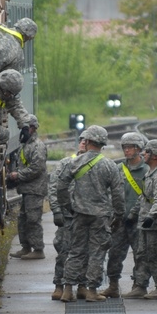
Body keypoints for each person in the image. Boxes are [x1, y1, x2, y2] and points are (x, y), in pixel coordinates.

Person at [56, 125, 123, 302]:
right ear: (102, 143)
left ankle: (68, 290)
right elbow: (117, 193)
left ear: (87, 141)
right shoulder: (109, 165)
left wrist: (67, 205)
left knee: (75, 251)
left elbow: (61, 185)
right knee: (97, 252)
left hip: (78, 213)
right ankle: (92, 291)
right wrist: (119, 214)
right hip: (100, 216)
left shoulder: (74, 162)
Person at [101, 132, 149, 297]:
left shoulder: (147, 170)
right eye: (125, 147)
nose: (126, 151)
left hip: (138, 220)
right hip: (120, 220)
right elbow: (108, 192)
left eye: (130, 147)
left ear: (138, 149)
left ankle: (140, 286)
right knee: (114, 253)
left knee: (141, 254)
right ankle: (113, 285)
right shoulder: (118, 169)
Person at [124, 139, 157, 300]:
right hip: (145, 222)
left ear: (155, 156)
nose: (143, 154)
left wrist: (152, 216)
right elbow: (143, 197)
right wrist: (133, 214)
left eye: (146, 152)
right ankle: (140, 286)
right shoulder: (150, 173)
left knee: (156, 255)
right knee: (142, 254)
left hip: (156, 224)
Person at [48, 139, 87, 299]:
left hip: (86, 216)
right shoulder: (66, 163)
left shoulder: (98, 164)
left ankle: (83, 285)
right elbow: (53, 187)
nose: (84, 144)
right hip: (67, 216)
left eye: (87, 141)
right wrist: (56, 210)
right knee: (64, 250)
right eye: (82, 141)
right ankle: (59, 285)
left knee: (86, 252)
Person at [8, 114, 48, 260]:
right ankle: (26, 247)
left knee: (33, 219)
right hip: (27, 189)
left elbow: (36, 168)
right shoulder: (25, 146)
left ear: (32, 128)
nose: (22, 131)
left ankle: (38, 249)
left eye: (24, 128)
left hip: (35, 190)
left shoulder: (38, 146)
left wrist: (17, 175)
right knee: (23, 219)